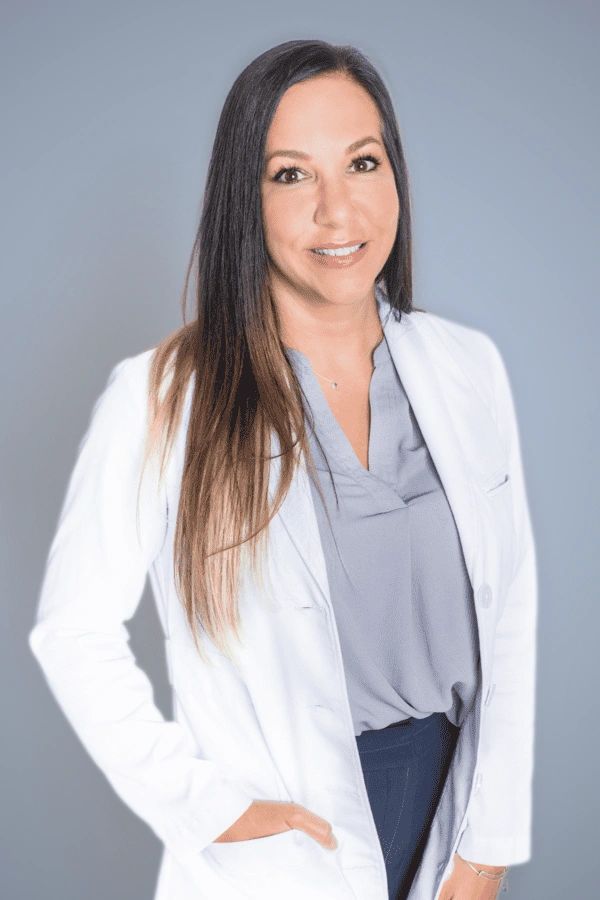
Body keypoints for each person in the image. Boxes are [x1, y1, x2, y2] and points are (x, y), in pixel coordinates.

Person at [29, 40, 537, 900]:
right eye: (292, 176)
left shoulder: (467, 368)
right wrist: (205, 806)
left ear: (395, 177)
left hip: (453, 814)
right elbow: (70, 633)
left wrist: (486, 850)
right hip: (292, 848)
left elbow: (512, 610)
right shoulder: (164, 400)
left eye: (362, 163)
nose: (338, 213)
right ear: (246, 200)